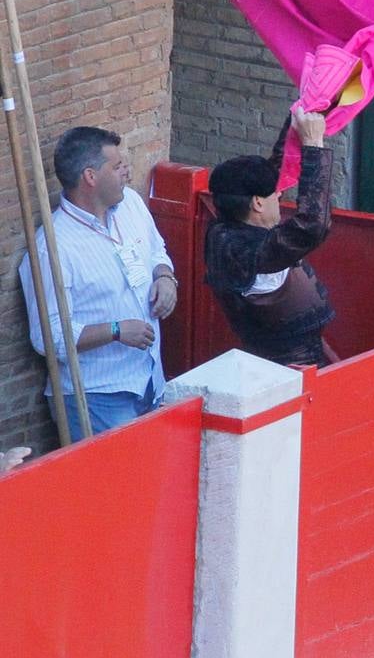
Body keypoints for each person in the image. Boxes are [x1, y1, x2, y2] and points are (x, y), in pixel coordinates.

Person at [19, 126, 178, 442]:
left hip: (149, 380)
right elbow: (46, 337)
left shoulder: (130, 203)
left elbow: (156, 249)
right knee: (114, 488)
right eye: (118, 166)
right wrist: (116, 331)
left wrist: (165, 276)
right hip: (95, 397)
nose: (127, 171)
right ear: (90, 177)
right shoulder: (52, 248)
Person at [204, 105, 338, 367]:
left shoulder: (230, 228)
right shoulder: (244, 252)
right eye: (273, 194)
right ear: (257, 203)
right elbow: (312, 225)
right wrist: (314, 146)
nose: (279, 194)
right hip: (287, 375)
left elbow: (275, 170)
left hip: (303, 357)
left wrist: (305, 106)